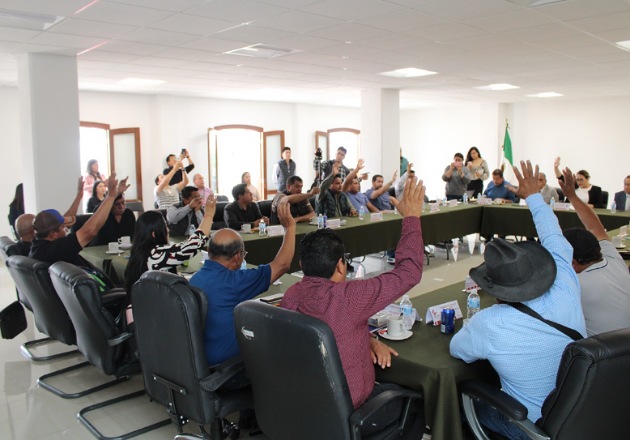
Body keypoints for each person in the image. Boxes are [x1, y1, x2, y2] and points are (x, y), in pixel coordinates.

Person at [280, 176, 427, 438]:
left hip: (305, 405)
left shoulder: (291, 296)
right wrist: (412, 218)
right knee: (416, 405)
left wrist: (368, 339)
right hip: (351, 410)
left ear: (302, 266)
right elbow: (408, 273)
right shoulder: (350, 297)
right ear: (340, 265)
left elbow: (328, 328)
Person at [450, 160, 586, 440]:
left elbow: (457, 349)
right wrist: (533, 196)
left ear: (494, 289)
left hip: (533, 426)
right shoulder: (565, 283)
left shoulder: (491, 322)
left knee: (457, 406)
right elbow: (554, 235)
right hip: (583, 412)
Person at [190, 199, 295, 366]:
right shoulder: (235, 282)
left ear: (209, 252)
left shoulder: (196, 278)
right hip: (228, 365)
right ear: (238, 256)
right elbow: (282, 265)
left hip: (201, 358)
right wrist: (290, 227)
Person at [558, 168, 630, 336]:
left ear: (573, 263)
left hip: (599, 350)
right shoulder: (615, 261)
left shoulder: (573, 286)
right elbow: (595, 227)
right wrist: (572, 196)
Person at [31, 174, 129, 270]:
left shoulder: (39, 244)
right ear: (53, 234)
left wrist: (79, 196)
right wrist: (110, 197)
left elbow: (68, 219)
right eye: (63, 227)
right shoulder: (55, 249)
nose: (66, 229)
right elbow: (89, 232)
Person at [124, 196, 216, 294]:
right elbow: (192, 245)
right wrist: (209, 215)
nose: (168, 230)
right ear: (154, 234)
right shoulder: (156, 253)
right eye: (165, 226)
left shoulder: (138, 251)